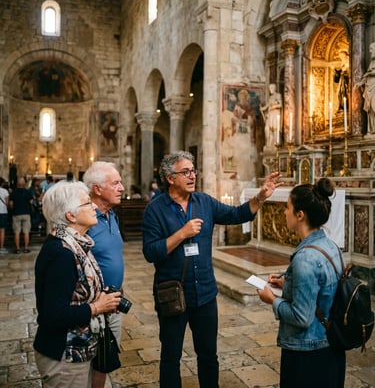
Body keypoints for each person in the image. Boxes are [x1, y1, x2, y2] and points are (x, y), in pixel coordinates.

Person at [142, 150, 282, 388]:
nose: (192, 176)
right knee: (170, 357)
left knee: (208, 355)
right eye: (185, 172)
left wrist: (260, 197)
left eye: (193, 170)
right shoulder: (155, 210)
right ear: (169, 178)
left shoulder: (204, 202)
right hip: (174, 294)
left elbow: (236, 214)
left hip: (205, 294)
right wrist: (182, 233)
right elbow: (150, 252)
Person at [257, 178, 346, 388]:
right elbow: (324, 287)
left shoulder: (305, 258)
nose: (284, 212)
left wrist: (272, 300)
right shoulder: (330, 245)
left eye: (288, 207)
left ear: (300, 215)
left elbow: (301, 317)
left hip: (308, 354)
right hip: (330, 346)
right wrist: (287, 281)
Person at [33, 180, 121, 388]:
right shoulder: (61, 253)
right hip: (65, 355)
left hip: (81, 349)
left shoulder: (76, 243)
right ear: (70, 216)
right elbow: (53, 314)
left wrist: (102, 297)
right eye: (87, 204)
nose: (94, 207)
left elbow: (77, 291)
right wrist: (97, 307)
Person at [83, 161, 125, 388]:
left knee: (104, 360)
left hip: (113, 303)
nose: (122, 188)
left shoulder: (112, 216)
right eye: (115, 183)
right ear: (97, 189)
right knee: (85, 364)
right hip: (92, 307)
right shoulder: (85, 218)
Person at [9, 177, 33, 253]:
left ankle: (18, 249)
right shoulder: (27, 192)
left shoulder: (14, 192)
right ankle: (26, 248)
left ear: (17, 184)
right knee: (26, 232)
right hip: (26, 213)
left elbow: (11, 204)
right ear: (24, 184)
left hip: (16, 214)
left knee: (17, 232)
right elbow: (31, 202)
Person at [358, 42, 375, 134]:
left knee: (374, 106)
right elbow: (367, 76)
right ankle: (372, 130)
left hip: (374, 87)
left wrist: (369, 73)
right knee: (370, 110)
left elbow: (370, 73)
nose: (370, 51)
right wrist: (360, 83)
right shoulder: (372, 63)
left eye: (372, 49)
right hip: (369, 88)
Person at [261, 83, 283, 148]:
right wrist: (262, 108)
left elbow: (280, 105)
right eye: (269, 88)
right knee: (267, 128)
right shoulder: (270, 97)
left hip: (275, 114)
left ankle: (275, 143)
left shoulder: (278, 95)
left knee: (275, 129)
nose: (270, 90)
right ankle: (269, 143)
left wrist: (273, 107)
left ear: (274, 88)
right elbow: (267, 105)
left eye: (271, 88)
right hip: (270, 115)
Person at [0, 178, 9, 253]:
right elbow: (7, 203)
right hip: (3, 211)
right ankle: (2, 247)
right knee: (2, 230)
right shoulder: (5, 191)